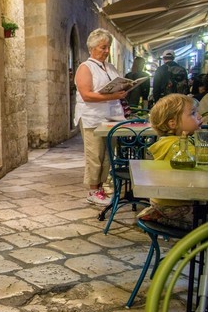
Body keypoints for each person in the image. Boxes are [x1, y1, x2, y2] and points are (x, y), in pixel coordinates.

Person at [73, 28, 129, 206]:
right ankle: (93, 190)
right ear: (92, 48)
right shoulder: (85, 67)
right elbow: (87, 95)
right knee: (95, 155)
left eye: (108, 47)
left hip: (112, 117)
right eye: (103, 47)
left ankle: (101, 187)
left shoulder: (110, 67)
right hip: (93, 118)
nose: (106, 51)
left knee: (107, 155)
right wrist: (113, 96)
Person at [137, 94, 202, 230]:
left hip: (162, 203)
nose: (199, 116)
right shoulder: (179, 146)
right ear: (172, 123)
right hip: (177, 207)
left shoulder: (165, 142)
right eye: (193, 113)